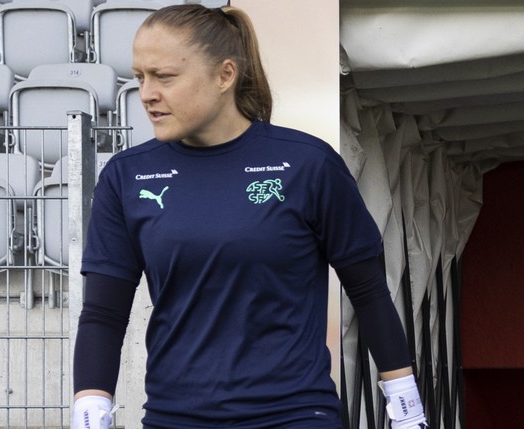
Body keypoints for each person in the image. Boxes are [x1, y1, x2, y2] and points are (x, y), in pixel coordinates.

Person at [72, 4, 427, 429]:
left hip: (295, 415)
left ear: (225, 75)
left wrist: (407, 408)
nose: (147, 93)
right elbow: (103, 315)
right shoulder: (126, 177)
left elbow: (368, 290)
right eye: (140, 77)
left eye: (164, 77)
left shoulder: (306, 164)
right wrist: (90, 412)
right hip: (175, 418)